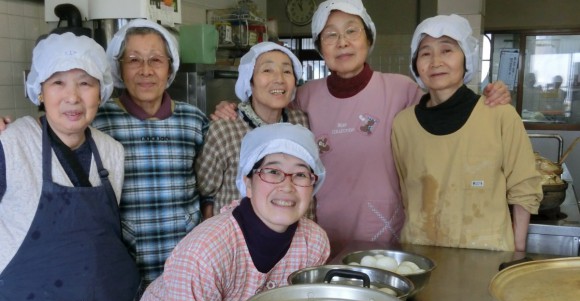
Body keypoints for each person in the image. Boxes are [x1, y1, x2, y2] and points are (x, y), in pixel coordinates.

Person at [211, 0, 511, 255]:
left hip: (385, 226)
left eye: (351, 31)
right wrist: (232, 106)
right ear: (320, 48)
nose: (342, 42)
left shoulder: (402, 90)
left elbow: (446, 107)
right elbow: (268, 113)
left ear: (368, 38)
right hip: (313, 227)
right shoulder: (304, 96)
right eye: (331, 35)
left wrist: (487, 96)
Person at [0, 32, 156, 301]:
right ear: (38, 91)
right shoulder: (11, 144)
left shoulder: (111, 152)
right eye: (58, 83)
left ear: (100, 92)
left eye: (85, 83)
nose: (72, 97)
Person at [129, 123, 330, 301]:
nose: (287, 185)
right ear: (247, 182)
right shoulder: (204, 253)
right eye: (272, 171)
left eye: (300, 174)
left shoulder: (314, 241)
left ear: (314, 184)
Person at [0, 19, 209, 288]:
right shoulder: (87, 123)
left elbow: (210, 186)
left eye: (156, 60)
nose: (146, 70)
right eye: (133, 59)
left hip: (179, 268)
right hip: (113, 275)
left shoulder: (191, 121)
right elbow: (49, 131)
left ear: (170, 67)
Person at [391, 14, 543, 252]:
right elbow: (406, 193)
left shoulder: (499, 115)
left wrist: (517, 251)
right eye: (425, 53)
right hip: (420, 255)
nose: (436, 61)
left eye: (447, 50)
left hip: (488, 254)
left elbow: (524, 188)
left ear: (467, 58)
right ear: (416, 65)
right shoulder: (403, 124)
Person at [195, 41, 309, 219]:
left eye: (287, 71)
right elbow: (203, 191)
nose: (279, 78)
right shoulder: (225, 129)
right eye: (267, 70)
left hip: (295, 236)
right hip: (237, 237)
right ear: (249, 80)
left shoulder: (300, 123)